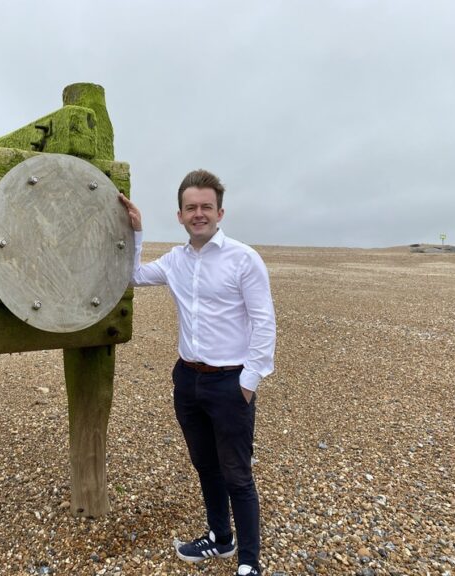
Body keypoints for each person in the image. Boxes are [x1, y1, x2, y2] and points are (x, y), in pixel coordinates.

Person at [118, 169, 276, 576]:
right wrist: (136, 232)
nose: (199, 213)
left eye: (206, 207)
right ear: (180, 215)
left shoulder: (243, 258)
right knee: (205, 465)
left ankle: (248, 562)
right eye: (192, 207)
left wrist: (249, 381)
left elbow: (264, 322)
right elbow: (133, 275)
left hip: (230, 382)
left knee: (237, 474)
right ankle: (220, 539)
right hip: (187, 379)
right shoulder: (175, 260)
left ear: (220, 212)